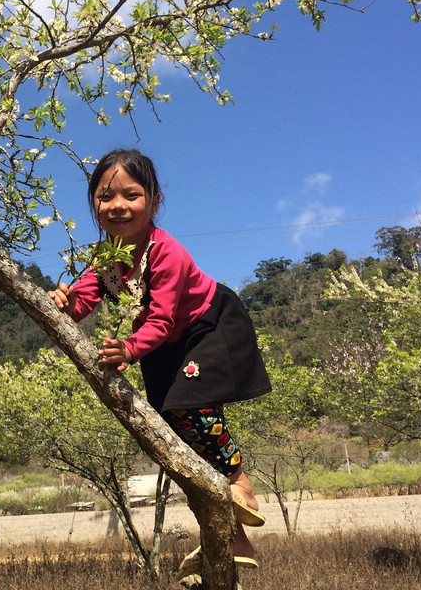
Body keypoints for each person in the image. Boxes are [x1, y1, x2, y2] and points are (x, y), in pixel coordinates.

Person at [48, 148, 271, 575]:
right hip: (160, 343)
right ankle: (226, 536)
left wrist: (129, 350)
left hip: (205, 327)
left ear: (153, 200)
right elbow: (83, 303)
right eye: (105, 196)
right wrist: (63, 301)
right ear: (93, 203)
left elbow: (164, 317)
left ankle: (240, 482)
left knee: (191, 408)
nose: (117, 206)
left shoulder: (164, 252)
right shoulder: (106, 258)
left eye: (130, 195)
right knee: (178, 440)